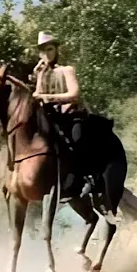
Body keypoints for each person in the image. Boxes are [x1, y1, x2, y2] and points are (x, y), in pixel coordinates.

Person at [30, 31, 96, 197]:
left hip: (71, 116)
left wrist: (48, 97)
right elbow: (37, 95)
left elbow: (74, 94)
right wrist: (38, 76)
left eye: (50, 49)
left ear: (57, 50)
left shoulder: (67, 70)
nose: (47, 54)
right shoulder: (42, 73)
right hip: (51, 118)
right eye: (43, 51)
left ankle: (90, 178)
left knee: (77, 141)